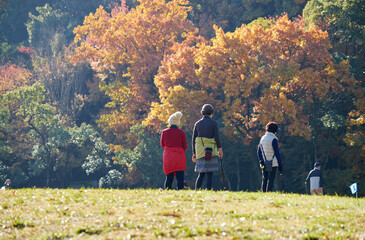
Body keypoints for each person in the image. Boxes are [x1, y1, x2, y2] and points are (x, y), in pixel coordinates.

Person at [192, 104, 223, 190]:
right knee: (210, 172)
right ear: (211, 112)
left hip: (200, 151)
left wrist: (194, 153)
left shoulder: (197, 124)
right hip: (211, 150)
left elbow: (194, 139)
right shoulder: (214, 123)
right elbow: (217, 137)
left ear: (203, 112)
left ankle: (197, 189)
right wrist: (220, 149)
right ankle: (208, 189)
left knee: (201, 173)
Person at [160, 111, 187, 190]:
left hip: (168, 157)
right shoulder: (181, 133)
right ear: (178, 123)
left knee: (169, 177)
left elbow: (162, 144)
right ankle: (180, 192)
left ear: (170, 122)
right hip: (179, 156)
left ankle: (167, 191)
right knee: (180, 177)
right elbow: (185, 146)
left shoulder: (164, 132)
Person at [257, 122, 283, 192]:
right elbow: (277, 153)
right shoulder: (274, 139)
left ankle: (263, 192)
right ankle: (269, 192)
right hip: (273, 162)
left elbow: (259, 152)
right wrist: (280, 164)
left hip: (264, 162)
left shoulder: (262, 138)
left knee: (264, 178)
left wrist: (261, 161)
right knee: (271, 179)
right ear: (274, 130)